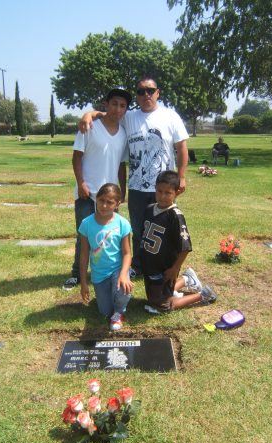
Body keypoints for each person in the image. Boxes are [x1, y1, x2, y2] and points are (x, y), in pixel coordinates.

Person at [79, 77, 189, 277]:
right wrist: (89, 114)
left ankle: (168, 265)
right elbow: (107, 113)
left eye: (150, 90)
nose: (146, 95)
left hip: (163, 187)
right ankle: (138, 265)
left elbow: (181, 147)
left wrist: (181, 176)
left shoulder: (170, 116)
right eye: (141, 91)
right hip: (137, 186)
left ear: (158, 93)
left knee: (165, 227)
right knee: (138, 229)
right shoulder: (129, 117)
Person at [63, 87, 132, 291]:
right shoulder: (90, 126)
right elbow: (76, 156)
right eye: (114, 104)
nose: (118, 109)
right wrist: (81, 182)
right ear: (106, 104)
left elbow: (121, 164)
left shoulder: (123, 134)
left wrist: (123, 189)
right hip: (87, 192)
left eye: (122, 106)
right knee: (83, 235)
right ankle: (77, 274)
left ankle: (110, 272)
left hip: (110, 196)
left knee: (110, 236)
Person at [140, 170, 217, 313]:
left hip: (165, 268)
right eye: (159, 191)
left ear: (176, 193)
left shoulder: (175, 216)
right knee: (154, 297)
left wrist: (174, 268)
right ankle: (187, 279)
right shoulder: (150, 209)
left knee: (163, 306)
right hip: (150, 265)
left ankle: (203, 294)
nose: (162, 196)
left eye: (168, 193)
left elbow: (185, 247)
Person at [79, 183, 133, 331]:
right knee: (104, 311)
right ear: (96, 199)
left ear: (117, 204)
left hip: (117, 269)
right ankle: (111, 299)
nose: (104, 205)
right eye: (101, 200)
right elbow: (83, 255)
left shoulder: (122, 223)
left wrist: (123, 274)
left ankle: (119, 312)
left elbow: (127, 253)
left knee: (122, 291)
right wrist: (83, 283)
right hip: (99, 274)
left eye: (109, 202)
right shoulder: (86, 224)